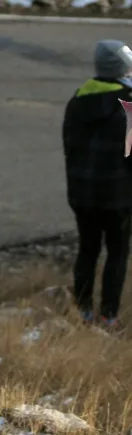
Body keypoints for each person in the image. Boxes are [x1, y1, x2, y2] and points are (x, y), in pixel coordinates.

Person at [62, 39, 132, 330]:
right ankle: (109, 313)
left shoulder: (79, 99)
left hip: (82, 192)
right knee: (117, 251)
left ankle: (83, 310)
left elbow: (69, 145)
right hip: (118, 195)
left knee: (87, 249)